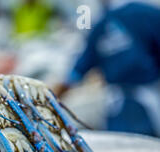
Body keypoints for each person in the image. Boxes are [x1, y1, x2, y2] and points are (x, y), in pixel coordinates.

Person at [55, 1, 160, 137]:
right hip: (124, 104)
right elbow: (78, 70)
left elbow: (76, 72)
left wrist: (53, 95)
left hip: (132, 105)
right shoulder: (147, 13)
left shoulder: (103, 23)